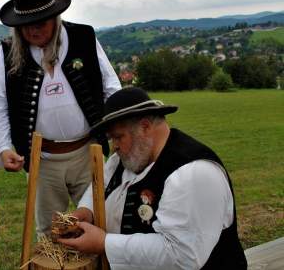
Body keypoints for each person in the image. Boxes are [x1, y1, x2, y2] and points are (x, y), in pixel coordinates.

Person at [0, 0, 121, 235]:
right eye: (25, 26)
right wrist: (1, 147)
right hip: (41, 160)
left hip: (88, 152)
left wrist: (120, 128)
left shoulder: (84, 37)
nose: (33, 31)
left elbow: (111, 87)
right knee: (49, 231)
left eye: (40, 23)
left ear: (55, 17)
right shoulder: (7, 52)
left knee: (102, 221)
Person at [58, 87, 247, 269]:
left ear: (145, 127)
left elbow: (182, 255)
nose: (114, 146)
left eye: (118, 137)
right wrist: (87, 210)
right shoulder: (125, 158)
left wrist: (105, 244)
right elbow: (100, 186)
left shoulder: (193, 173)